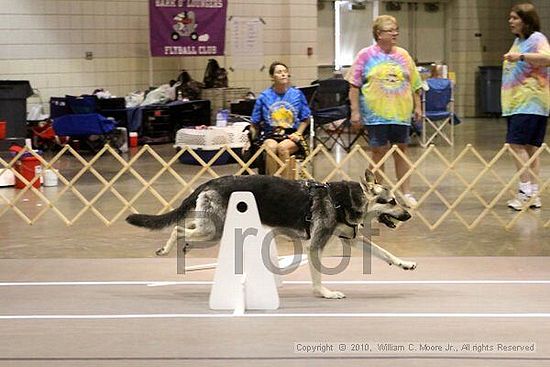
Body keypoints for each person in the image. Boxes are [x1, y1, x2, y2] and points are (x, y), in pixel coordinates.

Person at [346, 15, 422, 208]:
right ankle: (375, 193)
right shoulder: (365, 55)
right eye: (390, 30)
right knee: (378, 152)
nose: (395, 33)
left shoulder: (404, 55)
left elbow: (415, 84)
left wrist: (418, 106)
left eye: (396, 29)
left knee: (401, 152)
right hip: (375, 114)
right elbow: (354, 86)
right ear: (379, 34)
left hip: (400, 113)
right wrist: (355, 112)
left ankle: (406, 192)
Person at [501, 3, 550, 210]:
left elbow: (547, 58)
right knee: (530, 148)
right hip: (516, 103)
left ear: (526, 20)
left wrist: (521, 56)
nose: (510, 21)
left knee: (516, 145)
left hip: (529, 101)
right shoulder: (518, 41)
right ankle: (533, 194)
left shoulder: (536, 39)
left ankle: (524, 191)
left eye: (515, 18)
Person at [250, 61, 311, 176]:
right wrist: (249, 141)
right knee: (271, 147)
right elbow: (255, 123)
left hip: (291, 134)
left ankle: (286, 183)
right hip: (270, 134)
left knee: (282, 148)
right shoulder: (264, 96)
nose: (283, 74)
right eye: (279, 72)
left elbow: (306, 118)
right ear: (272, 77)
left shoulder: (297, 94)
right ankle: (272, 183)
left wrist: (298, 133)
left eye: (285, 72)